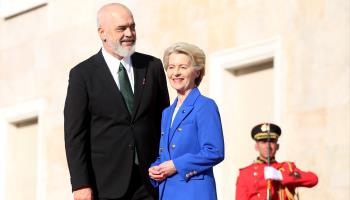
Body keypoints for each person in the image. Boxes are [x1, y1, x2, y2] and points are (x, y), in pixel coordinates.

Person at [64, 3, 169, 200]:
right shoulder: (82, 75)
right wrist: (80, 184)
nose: (129, 33)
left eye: (132, 27)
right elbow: (74, 136)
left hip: (151, 182)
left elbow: (164, 123)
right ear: (102, 33)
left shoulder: (152, 67)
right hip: (105, 184)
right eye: (121, 28)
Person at [148, 42, 225, 200]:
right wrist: (155, 168)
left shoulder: (205, 106)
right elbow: (166, 155)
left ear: (197, 72)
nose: (175, 73)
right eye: (171, 67)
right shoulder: (167, 113)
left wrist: (176, 165)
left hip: (194, 193)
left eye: (183, 67)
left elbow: (214, 151)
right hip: (167, 192)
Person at [235, 123, 318, 200]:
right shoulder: (245, 173)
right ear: (256, 146)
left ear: (277, 146)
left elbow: (313, 179)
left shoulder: (286, 168)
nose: (268, 146)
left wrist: (280, 175)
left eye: (272, 142)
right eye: (263, 142)